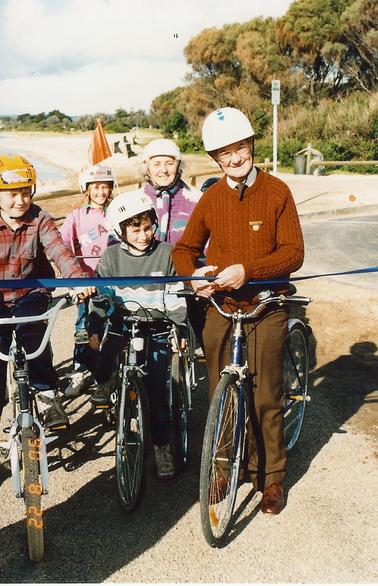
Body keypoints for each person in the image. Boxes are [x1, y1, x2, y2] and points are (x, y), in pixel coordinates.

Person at [172, 107, 305, 514]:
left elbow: (294, 254)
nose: (234, 158)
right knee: (222, 396)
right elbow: (183, 249)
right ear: (215, 158)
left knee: (266, 396)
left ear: (251, 146)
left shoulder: (277, 190)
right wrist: (192, 277)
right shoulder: (211, 197)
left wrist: (247, 271)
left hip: (267, 306)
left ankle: (271, 478)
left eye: (240, 148)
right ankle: (226, 469)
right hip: (221, 307)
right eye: (224, 153)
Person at [81, 190, 187, 478]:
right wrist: (93, 328)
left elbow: (176, 297)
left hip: (157, 328)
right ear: (120, 230)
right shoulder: (111, 257)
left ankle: (162, 447)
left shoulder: (166, 254)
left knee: (157, 391)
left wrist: (179, 327)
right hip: (122, 326)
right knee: (97, 356)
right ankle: (111, 386)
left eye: (147, 227)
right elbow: (101, 299)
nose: (143, 235)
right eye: (135, 229)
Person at [0, 154, 94, 429]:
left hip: (31, 292)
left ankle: (46, 394)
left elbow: (60, 252)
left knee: (33, 331)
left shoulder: (40, 218)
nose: (21, 201)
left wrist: (77, 280)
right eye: (12, 194)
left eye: (26, 193)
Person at [60, 164, 115, 397]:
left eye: (105, 187)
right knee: (83, 324)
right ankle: (79, 370)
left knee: (111, 324)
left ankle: (109, 372)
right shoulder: (76, 216)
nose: (101, 192)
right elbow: (63, 245)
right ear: (87, 189)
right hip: (85, 279)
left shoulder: (116, 213)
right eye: (96, 188)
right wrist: (74, 279)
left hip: (111, 279)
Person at [140, 138, 202, 245]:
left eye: (169, 163)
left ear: (178, 166)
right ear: (147, 168)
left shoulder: (197, 199)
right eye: (156, 164)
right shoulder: (135, 201)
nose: (164, 170)